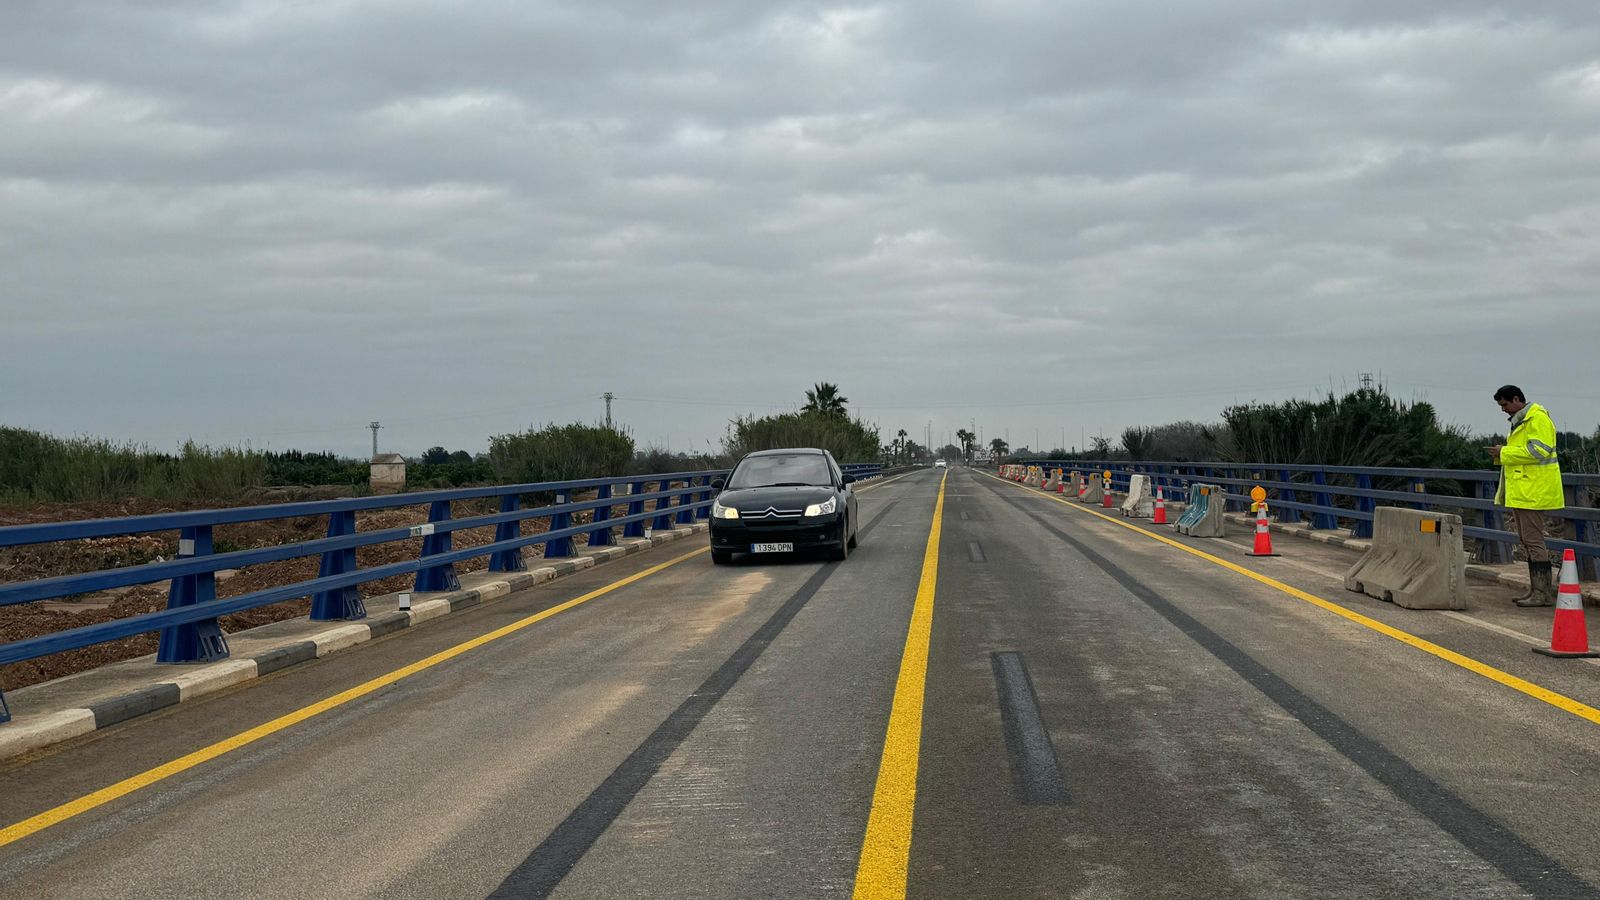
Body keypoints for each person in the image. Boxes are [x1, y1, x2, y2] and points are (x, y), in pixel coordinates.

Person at [1489, 385, 1563, 607]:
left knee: (1533, 539)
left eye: (1505, 405)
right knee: (1527, 540)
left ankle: (1542, 593)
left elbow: (1538, 451)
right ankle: (1536, 591)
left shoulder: (1537, 419)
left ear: (1516, 399)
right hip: (1524, 491)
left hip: (1534, 491)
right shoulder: (1522, 421)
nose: (1503, 410)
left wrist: (1504, 452)